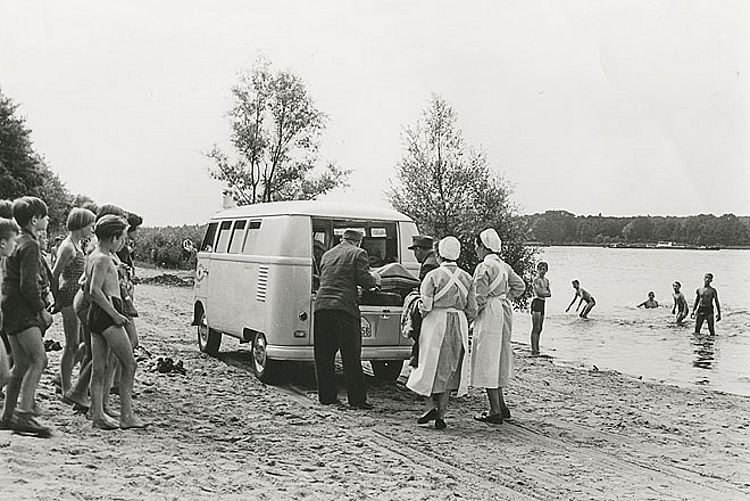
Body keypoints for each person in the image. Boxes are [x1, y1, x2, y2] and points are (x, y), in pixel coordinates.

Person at [406, 236, 476, 430]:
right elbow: (473, 309)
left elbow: (426, 305)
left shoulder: (433, 276)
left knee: (427, 363)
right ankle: (441, 415)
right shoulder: (467, 277)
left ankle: (430, 405)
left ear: (439, 254)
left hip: (436, 321)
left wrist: (416, 305)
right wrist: (463, 319)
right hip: (458, 322)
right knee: (449, 367)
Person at [0, 196, 53, 436]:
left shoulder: (18, 241)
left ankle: (7, 415)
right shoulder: (31, 245)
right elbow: (29, 284)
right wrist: (41, 309)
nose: (48, 220)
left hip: (9, 308)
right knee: (39, 360)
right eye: (45, 216)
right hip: (23, 310)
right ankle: (25, 414)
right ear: (35, 220)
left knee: (20, 364)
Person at [85, 214, 144, 429]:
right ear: (113, 238)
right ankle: (126, 415)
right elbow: (94, 290)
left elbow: (86, 289)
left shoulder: (92, 256)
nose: (124, 243)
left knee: (100, 367)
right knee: (129, 364)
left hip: (96, 315)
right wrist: (114, 314)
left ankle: (97, 412)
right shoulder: (103, 259)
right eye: (122, 238)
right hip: (108, 313)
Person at [314, 229, 379, 409]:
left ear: (342, 239)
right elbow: (365, 280)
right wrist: (375, 281)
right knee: (351, 356)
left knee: (324, 356)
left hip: (322, 307)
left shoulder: (327, 254)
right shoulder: (358, 253)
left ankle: (327, 397)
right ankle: (357, 400)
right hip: (344, 309)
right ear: (359, 241)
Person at [470, 229, 526, 424]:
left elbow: (479, 298)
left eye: (477, 246)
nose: (476, 250)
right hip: (503, 310)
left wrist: (470, 319)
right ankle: (501, 404)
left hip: (490, 313)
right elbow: (520, 286)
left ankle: (494, 410)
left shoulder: (483, 267)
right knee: (499, 355)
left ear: (484, 246)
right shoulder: (504, 266)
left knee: (487, 356)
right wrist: (506, 297)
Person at [51, 208, 95, 395]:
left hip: (74, 296)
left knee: (79, 343)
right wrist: (56, 299)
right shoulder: (68, 247)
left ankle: (64, 377)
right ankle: (65, 385)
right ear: (80, 225)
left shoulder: (76, 244)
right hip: (68, 297)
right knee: (71, 344)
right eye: (89, 225)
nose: (92, 228)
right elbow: (54, 275)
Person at [530, 261, 550, 356]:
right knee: (535, 327)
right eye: (541, 269)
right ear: (538, 270)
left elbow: (549, 293)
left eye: (544, 269)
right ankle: (534, 349)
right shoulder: (536, 280)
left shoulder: (546, 281)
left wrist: (544, 292)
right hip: (537, 302)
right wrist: (544, 292)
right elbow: (539, 293)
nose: (543, 271)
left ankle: (537, 347)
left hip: (543, 302)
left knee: (540, 328)